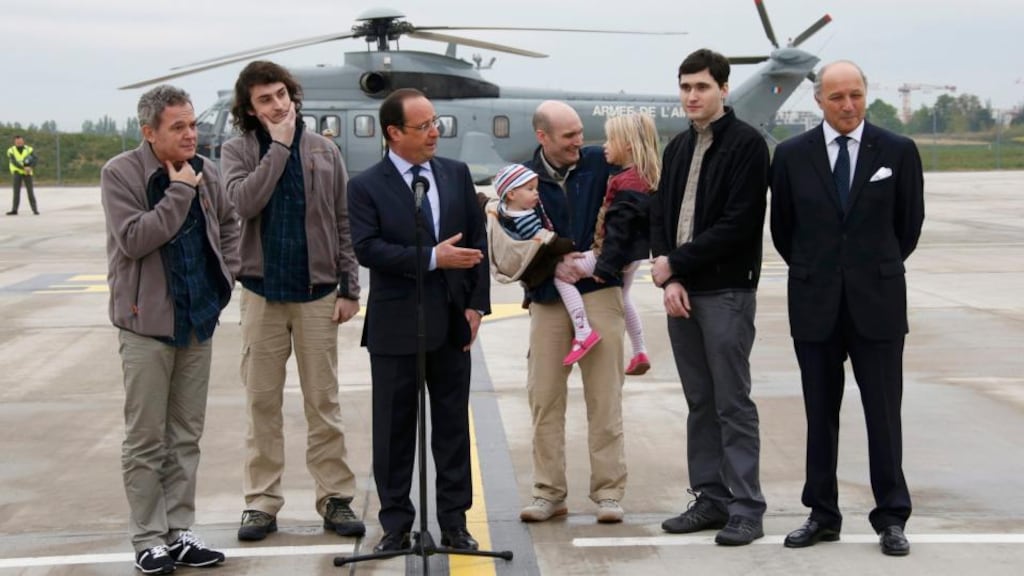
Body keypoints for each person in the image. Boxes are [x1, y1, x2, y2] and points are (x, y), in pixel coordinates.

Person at [770, 60, 924, 557]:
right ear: (818, 100)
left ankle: (892, 516)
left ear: (865, 94)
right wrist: (823, 270)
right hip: (815, 302)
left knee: (884, 414)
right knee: (820, 413)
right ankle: (822, 513)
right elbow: (783, 230)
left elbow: (908, 226)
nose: (848, 106)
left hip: (876, 303)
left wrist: (865, 268)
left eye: (856, 95)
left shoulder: (897, 152)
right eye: (837, 97)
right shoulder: (792, 156)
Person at [220, 60, 365, 543]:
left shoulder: (324, 150)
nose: (278, 104)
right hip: (262, 293)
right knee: (262, 402)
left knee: (323, 403)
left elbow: (343, 221)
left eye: (281, 94)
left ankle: (335, 498)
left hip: (317, 294)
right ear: (250, 108)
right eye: (265, 99)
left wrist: (350, 287)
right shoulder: (237, 150)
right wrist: (278, 148)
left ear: (292, 94)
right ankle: (261, 502)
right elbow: (243, 203)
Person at [101, 84, 238, 574]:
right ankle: (148, 538)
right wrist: (181, 190)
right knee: (146, 438)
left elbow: (229, 226)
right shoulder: (121, 173)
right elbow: (136, 239)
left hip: (197, 319)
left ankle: (180, 532)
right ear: (149, 132)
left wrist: (224, 281)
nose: (190, 135)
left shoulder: (209, 171)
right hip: (146, 324)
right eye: (177, 127)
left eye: (192, 124)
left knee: (186, 435)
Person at [347, 88, 490, 552]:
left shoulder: (455, 173)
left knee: (452, 428)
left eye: (436, 122)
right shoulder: (365, 185)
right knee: (394, 430)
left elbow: (478, 243)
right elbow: (367, 248)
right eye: (424, 125)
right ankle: (395, 524)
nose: (435, 132)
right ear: (394, 133)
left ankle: (453, 522)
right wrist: (431, 257)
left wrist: (476, 306)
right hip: (395, 326)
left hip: (451, 322)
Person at [649, 48, 769, 546]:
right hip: (683, 293)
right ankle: (711, 498)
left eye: (701, 86)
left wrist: (676, 264)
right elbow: (661, 216)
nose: (691, 95)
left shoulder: (747, 146)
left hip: (726, 291)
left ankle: (746, 508)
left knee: (731, 402)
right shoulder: (677, 148)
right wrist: (670, 277)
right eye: (684, 87)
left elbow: (739, 225)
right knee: (700, 400)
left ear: (723, 89)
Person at [517, 100, 627, 525]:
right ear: (542, 137)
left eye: (581, 132)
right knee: (544, 397)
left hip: (599, 290)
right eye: (568, 136)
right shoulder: (523, 180)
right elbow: (509, 237)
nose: (579, 142)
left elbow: (635, 210)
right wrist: (550, 266)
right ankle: (548, 493)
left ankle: (609, 493)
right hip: (548, 297)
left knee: (605, 397)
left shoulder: (602, 163)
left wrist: (607, 263)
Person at [7, 135, 38, 215]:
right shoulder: (11, 150)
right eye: (17, 142)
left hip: (28, 173)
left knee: (30, 191)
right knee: (16, 192)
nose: (19, 143)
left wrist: (30, 167)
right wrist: (23, 168)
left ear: (23, 141)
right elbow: (13, 161)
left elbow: (35, 159)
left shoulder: (29, 149)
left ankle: (35, 209)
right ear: (15, 142)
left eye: (20, 141)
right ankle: (14, 210)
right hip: (17, 172)